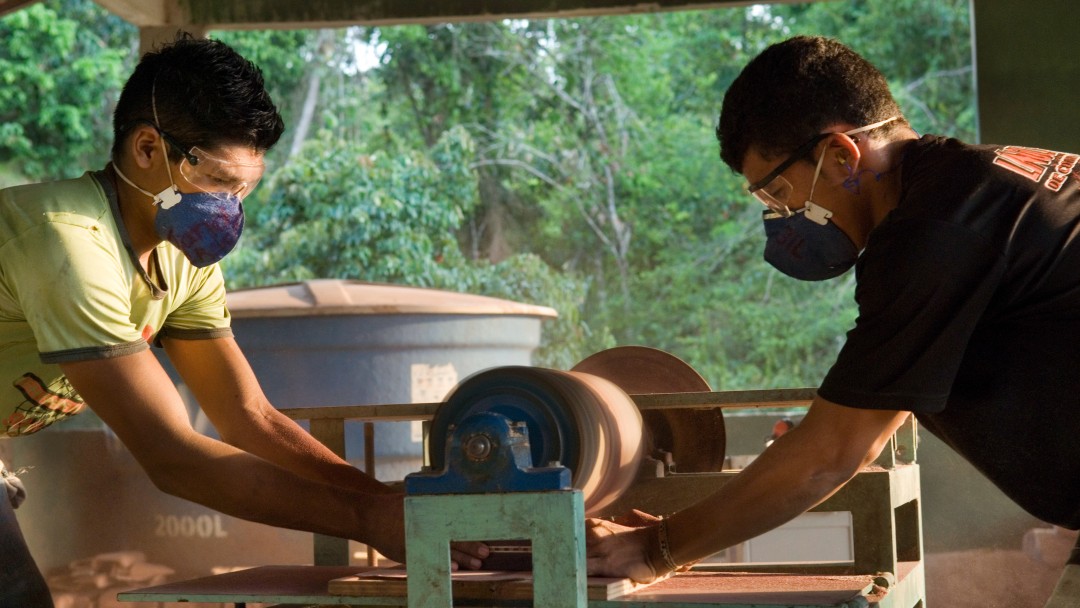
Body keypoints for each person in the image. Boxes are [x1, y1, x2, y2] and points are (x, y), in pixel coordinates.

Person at [584, 35, 1080, 607]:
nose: (782, 215)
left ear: (843, 155)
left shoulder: (933, 234)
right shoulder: (982, 188)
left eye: (779, 190)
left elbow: (831, 455)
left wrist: (656, 548)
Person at [0, 33, 485, 608]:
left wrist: (385, 504)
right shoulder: (67, 244)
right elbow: (171, 456)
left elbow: (248, 416)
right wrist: (366, 517)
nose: (230, 210)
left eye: (243, 191)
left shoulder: (183, 259)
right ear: (148, 149)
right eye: (218, 184)